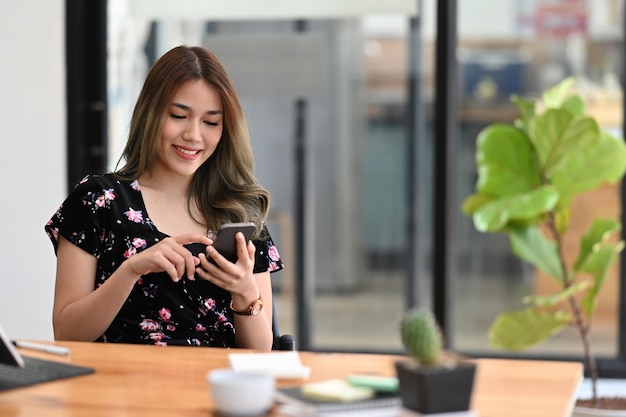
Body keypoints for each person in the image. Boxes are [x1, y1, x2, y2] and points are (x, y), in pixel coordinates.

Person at [45, 45, 284, 351]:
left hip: (215, 390)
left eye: (210, 122)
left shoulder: (239, 211)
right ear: (151, 113)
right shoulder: (98, 200)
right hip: (121, 391)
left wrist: (245, 289)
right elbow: (66, 333)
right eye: (179, 116)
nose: (193, 135)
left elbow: (260, 354)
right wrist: (132, 270)